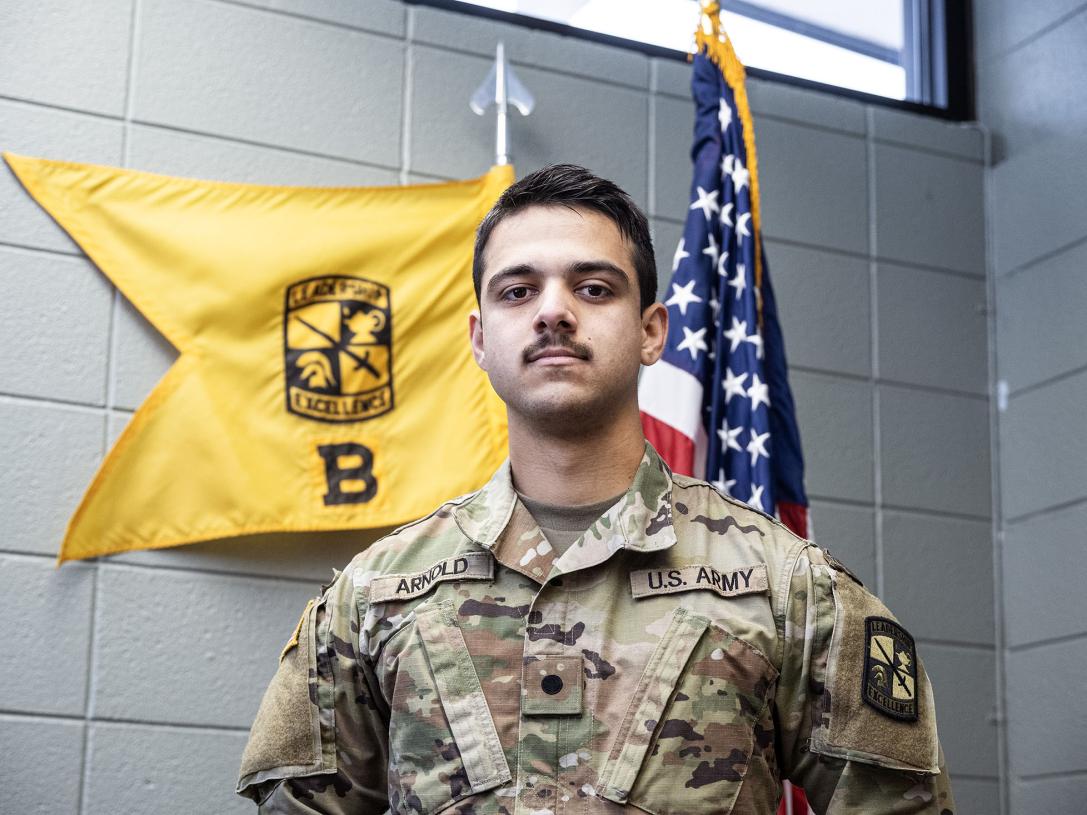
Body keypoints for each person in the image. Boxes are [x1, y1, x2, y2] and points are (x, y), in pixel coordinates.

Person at [237, 164, 956, 814]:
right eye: (518, 290)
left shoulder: (786, 586)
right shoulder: (376, 594)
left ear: (650, 332)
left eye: (592, 287)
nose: (554, 311)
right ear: (479, 337)